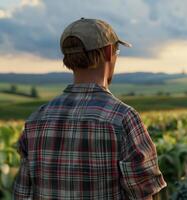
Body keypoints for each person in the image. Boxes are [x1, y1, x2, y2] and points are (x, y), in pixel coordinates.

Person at [13, 18, 166, 199]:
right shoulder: (123, 118)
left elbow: (22, 194)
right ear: (109, 52)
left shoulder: (35, 121)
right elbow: (144, 194)